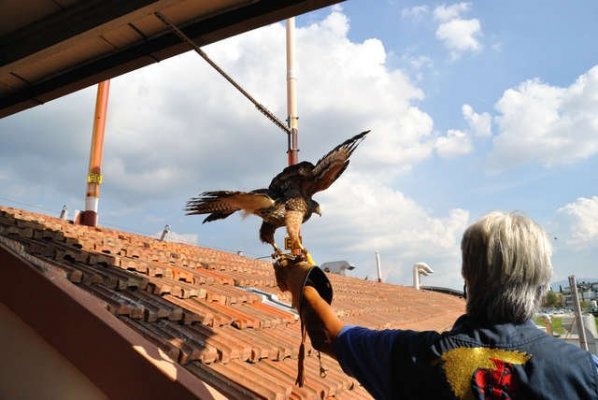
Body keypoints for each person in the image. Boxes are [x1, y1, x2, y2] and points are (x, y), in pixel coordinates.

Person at [274, 211, 598, 399]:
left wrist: (300, 275)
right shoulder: (585, 371)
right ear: (542, 281)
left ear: (467, 277)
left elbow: (329, 334)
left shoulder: (414, 356)